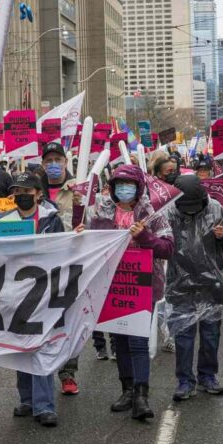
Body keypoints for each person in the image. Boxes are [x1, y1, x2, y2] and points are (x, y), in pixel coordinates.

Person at [84, 165, 175, 420]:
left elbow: (167, 248)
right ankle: (126, 390)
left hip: (143, 284)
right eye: (119, 184)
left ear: (139, 186)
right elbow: (91, 244)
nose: (124, 189)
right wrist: (81, 236)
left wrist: (145, 236)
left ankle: (141, 396)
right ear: (112, 188)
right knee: (120, 340)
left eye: (130, 184)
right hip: (113, 285)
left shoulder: (152, 213)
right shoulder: (102, 211)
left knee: (138, 340)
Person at [164, 175, 223, 401]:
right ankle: (185, 381)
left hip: (211, 283)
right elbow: (160, 243)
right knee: (183, 335)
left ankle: (208, 376)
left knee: (210, 335)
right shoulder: (168, 213)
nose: (190, 212)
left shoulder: (216, 210)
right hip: (181, 283)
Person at [0, 173, 63, 426]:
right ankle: (27, 399)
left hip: (43, 289)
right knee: (22, 346)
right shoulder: (4, 221)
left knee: (41, 346)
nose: (22, 195)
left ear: (38, 193)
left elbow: (62, 249)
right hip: (16, 291)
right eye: (17, 190)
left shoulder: (52, 220)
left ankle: (44, 405)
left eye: (27, 190)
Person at [39, 142, 79, 393]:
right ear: (43, 165)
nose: (53, 164)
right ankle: (41, 368)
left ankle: (68, 373)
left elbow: (92, 221)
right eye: (48, 160)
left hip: (70, 262)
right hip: (40, 267)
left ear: (66, 162)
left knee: (69, 320)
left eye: (58, 159)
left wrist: (83, 202)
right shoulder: (32, 189)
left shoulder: (77, 189)